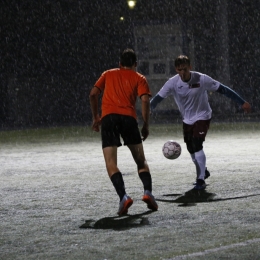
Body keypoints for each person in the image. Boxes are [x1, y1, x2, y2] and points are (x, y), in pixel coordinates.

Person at [150, 55, 251, 190]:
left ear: (190, 67)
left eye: (185, 69)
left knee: (197, 143)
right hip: (187, 118)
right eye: (179, 70)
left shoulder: (202, 79)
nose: (182, 73)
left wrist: (241, 102)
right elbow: (157, 99)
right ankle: (204, 171)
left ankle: (200, 179)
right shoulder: (172, 83)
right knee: (190, 147)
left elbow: (223, 89)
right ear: (176, 69)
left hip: (203, 116)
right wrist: (148, 109)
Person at [89, 48, 158, 215]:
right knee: (140, 160)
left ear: (119, 64)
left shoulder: (108, 74)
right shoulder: (139, 78)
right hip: (128, 119)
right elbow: (145, 100)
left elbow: (93, 94)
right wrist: (146, 124)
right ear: (135, 64)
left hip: (109, 119)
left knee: (111, 163)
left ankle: (123, 197)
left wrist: (96, 117)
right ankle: (148, 192)